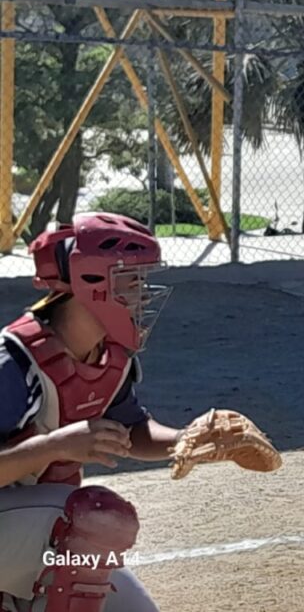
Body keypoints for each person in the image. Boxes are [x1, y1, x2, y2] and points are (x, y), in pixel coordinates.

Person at [0, 212, 262, 612]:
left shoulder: (107, 357)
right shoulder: (15, 363)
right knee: (97, 518)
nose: (143, 294)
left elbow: (133, 430)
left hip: (30, 527)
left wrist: (188, 440)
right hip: (23, 523)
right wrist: (54, 447)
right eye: (131, 280)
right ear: (91, 283)